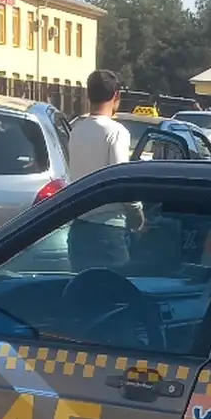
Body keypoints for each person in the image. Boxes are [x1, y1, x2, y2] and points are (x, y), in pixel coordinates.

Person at [68, 70, 136, 270]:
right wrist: (137, 212)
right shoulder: (117, 132)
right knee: (112, 294)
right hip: (108, 230)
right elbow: (121, 181)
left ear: (88, 95)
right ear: (117, 96)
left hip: (79, 226)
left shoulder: (76, 130)